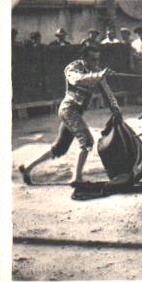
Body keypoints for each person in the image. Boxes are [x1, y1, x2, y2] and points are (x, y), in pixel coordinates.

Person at [19, 45, 120, 186]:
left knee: (60, 148)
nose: (96, 62)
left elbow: (107, 92)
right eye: (93, 59)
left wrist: (115, 108)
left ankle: (27, 167)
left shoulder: (97, 70)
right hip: (69, 110)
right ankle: (77, 178)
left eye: (98, 59)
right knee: (87, 141)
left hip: (75, 112)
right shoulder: (73, 68)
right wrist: (99, 75)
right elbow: (77, 80)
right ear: (84, 58)